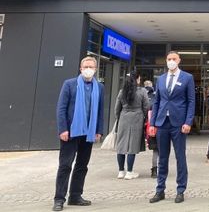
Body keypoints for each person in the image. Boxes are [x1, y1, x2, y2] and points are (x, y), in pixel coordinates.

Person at [52, 56, 104, 211]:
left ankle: (75, 196)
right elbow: (61, 108)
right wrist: (63, 129)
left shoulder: (100, 87)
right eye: (85, 67)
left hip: (88, 133)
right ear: (81, 69)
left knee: (82, 165)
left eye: (91, 67)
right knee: (65, 165)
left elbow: (100, 110)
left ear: (95, 69)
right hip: (71, 132)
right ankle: (59, 199)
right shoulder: (69, 84)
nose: (88, 69)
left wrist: (99, 130)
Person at [148, 51, 196, 204]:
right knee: (162, 158)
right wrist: (153, 123)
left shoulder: (187, 78)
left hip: (179, 123)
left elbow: (191, 101)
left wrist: (188, 122)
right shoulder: (161, 79)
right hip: (162, 123)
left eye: (174, 59)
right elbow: (156, 102)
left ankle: (180, 190)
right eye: (169, 59)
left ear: (179, 60)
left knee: (180, 157)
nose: (171, 61)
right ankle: (159, 190)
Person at [115, 71, 149, 180]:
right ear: (137, 79)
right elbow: (146, 106)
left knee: (121, 145)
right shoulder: (142, 91)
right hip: (137, 118)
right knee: (132, 146)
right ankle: (129, 172)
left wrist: (119, 118)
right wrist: (144, 118)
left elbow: (117, 108)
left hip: (123, 117)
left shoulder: (121, 92)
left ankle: (121, 171)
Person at [143, 80, 159, 178]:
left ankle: (154, 170)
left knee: (155, 149)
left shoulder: (140, 94)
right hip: (159, 125)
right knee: (159, 149)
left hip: (149, 124)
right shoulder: (156, 96)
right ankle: (159, 168)